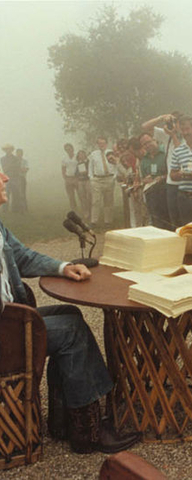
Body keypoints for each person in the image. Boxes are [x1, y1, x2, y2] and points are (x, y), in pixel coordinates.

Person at [0, 171, 139, 454]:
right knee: (72, 333)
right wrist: (18, 312)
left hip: (10, 322)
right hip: (4, 332)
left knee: (70, 313)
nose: (5, 177)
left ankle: (63, 420)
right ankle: (87, 432)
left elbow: (22, 256)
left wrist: (64, 267)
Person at [142, 112, 183, 228]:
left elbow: (181, 153)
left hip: (185, 182)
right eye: (172, 122)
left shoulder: (187, 136)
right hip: (171, 183)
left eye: (176, 122)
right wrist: (161, 118)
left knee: (184, 218)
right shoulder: (166, 136)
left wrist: (174, 134)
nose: (174, 125)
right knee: (173, 219)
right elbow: (145, 127)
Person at [138, 133, 169, 230]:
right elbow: (142, 178)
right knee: (156, 223)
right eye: (144, 144)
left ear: (154, 140)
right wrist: (145, 180)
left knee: (168, 221)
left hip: (166, 193)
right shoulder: (144, 159)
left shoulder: (166, 152)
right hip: (151, 195)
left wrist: (162, 177)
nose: (147, 146)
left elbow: (173, 171)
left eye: (148, 142)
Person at [88, 137, 116, 228]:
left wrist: (114, 176)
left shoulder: (111, 153)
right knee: (95, 201)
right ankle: (94, 221)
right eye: (100, 143)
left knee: (108, 201)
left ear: (106, 144)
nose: (102, 145)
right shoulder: (93, 154)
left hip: (109, 178)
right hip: (97, 180)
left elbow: (116, 164)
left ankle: (108, 221)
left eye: (103, 143)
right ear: (97, 144)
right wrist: (91, 178)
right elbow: (90, 167)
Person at [2, 144, 25, 213]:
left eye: (9, 149)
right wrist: (12, 166)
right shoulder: (2, 159)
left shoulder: (15, 158)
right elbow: (5, 168)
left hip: (15, 178)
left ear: (11, 150)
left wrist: (11, 167)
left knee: (15, 194)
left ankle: (15, 209)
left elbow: (17, 168)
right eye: (6, 149)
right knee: (6, 194)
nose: (8, 151)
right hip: (7, 178)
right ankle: (5, 210)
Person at [75, 150, 91, 221]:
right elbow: (76, 173)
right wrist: (79, 175)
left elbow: (91, 170)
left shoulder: (88, 162)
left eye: (82, 154)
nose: (81, 156)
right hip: (80, 181)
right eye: (79, 155)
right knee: (82, 197)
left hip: (87, 180)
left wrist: (87, 172)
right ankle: (86, 212)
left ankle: (91, 211)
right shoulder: (78, 164)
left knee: (89, 196)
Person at [61, 143, 78, 211]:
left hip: (77, 177)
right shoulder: (64, 158)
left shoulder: (77, 156)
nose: (68, 150)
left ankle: (84, 207)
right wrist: (65, 177)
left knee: (81, 194)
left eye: (69, 148)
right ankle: (73, 208)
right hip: (68, 178)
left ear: (72, 148)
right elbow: (63, 168)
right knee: (71, 195)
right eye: (67, 149)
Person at [16, 148, 29, 212]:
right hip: (15, 178)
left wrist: (19, 169)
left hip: (22, 178)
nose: (19, 155)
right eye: (18, 153)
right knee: (16, 193)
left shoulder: (25, 161)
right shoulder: (14, 161)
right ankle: (17, 208)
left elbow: (26, 169)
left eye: (20, 153)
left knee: (22, 194)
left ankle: (24, 208)